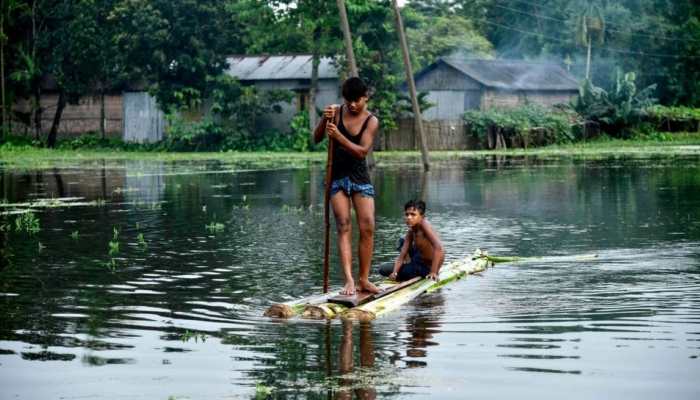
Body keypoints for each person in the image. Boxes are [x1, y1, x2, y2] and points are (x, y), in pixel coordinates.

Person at [313, 77, 380, 295]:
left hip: (360, 177)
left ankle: (364, 280)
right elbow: (316, 138)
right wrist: (325, 120)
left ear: (365, 98)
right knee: (343, 225)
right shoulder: (336, 112)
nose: (352, 105)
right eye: (348, 101)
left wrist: (339, 137)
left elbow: (362, 152)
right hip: (337, 176)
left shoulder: (371, 121)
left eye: (356, 101)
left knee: (367, 226)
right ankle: (349, 281)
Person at [379, 199, 445, 282]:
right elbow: (402, 255)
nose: (409, 217)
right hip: (418, 259)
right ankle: (407, 266)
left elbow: (439, 248)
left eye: (413, 215)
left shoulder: (424, 226)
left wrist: (433, 272)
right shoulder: (411, 231)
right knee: (401, 241)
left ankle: (408, 271)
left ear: (422, 217)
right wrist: (395, 272)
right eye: (407, 214)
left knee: (384, 269)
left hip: (425, 267)